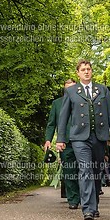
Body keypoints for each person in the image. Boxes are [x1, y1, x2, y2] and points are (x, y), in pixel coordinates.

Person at [56, 59, 110, 220]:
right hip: (79, 138)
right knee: (85, 169)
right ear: (78, 73)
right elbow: (63, 117)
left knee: (96, 171)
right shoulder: (71, 92)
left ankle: (94, 203)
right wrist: (61, 138)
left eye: (89, 69)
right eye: (83, 69)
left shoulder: (102, 90)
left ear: (92, 71)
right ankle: (88, 209)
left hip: (99, 137)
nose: (86, 71)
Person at [44, 78, 80, 209]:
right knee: (69, 171)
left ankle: (83, 195)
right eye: (68, 88)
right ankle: (73, 199)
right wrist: (48, 139)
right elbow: (51, 123)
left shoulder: (83, 101)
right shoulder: (57, 103)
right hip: (65, 143)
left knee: (83, 169)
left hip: (82, 141)